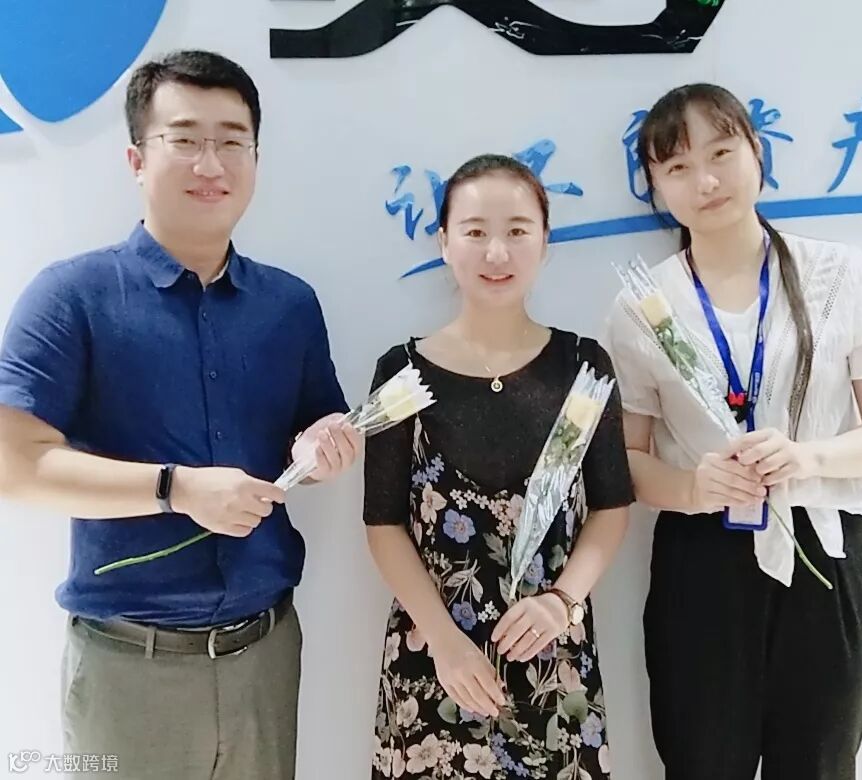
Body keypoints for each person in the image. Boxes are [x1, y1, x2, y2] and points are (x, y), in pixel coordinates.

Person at [0, 50, 360, 780]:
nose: (211, 163)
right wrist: (176, 489)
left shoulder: (290, 304)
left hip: (265, 652)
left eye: (232, 141)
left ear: (256, 158)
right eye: (185, 139)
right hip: (129, 664)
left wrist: (325, 447)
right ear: (136, 158)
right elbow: (15, 464)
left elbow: (317, 426)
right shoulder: (72, 296)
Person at [604, 83, 862, 780]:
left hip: (824, 547)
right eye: (678, 167)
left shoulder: (839, 274)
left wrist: (809, 456)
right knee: (701, 762)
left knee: (820, 763)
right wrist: (692, 485)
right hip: (700, 559)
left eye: (722, 152)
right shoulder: (642, 304)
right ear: (654, 186)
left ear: (757, 151)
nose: (705, 181)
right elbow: (625, 458)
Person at [364, 154, 634, 778]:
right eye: (475, 231)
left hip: (552, 666)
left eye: (517, 230)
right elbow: (383, 525)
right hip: (434, 666)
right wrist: (445, 642)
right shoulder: (401, 373)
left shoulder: (582, 366)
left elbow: (612, 506)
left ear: (545, 241)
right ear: (444, 242)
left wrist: (562, 602)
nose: (496, 252)